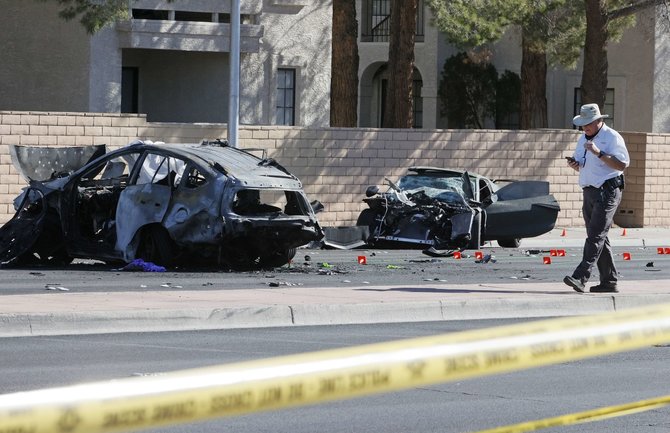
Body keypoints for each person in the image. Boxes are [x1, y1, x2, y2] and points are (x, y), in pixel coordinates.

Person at [563, 103, 629, 293]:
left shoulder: (611, 137)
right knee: (600, 237)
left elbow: (621, 165)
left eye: (588, 123)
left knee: (595, 236)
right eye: (583, 124)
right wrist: (576, 165)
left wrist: (599, 153)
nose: (585, 127)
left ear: (599, 121)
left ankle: (580, 277)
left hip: (607, 190)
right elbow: (582, 163)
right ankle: (609, 281)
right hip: (590, 191)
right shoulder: (582, 139)